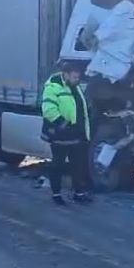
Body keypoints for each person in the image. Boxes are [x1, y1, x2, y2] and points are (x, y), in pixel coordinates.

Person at [41, 61, 93, 205]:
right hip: (60, 136)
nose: (77, 80)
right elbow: (48, 109)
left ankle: (79, 193)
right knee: (57, 165)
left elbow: (81, 109)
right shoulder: (53, 87)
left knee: (78, 166)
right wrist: (63, 124)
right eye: (75, 77)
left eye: (78, 77)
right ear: (66, 75)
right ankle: (56, 194)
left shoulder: (75, 87)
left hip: (75, 136)